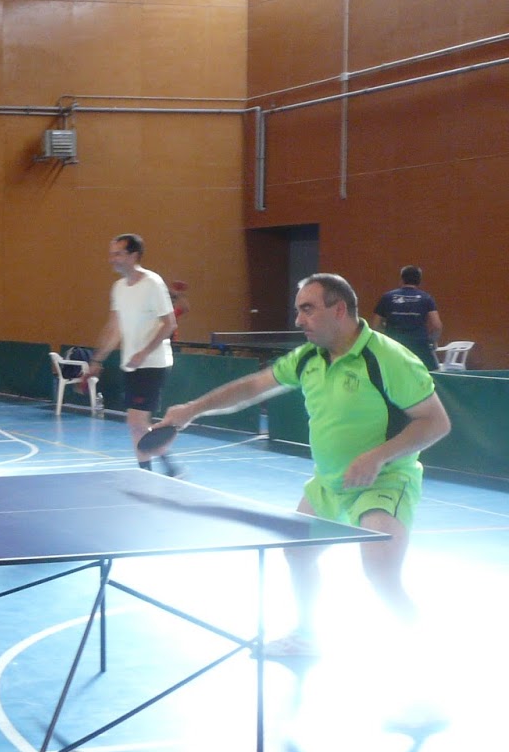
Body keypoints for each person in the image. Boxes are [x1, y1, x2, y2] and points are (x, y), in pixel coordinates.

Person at [154, 273, 451, 660]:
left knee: (381, 574)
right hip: (329, 483)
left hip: (385, 480)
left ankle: (428, 664)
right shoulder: (309, 357)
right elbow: (253, 387)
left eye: (308, 309)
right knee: (298, 554)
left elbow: (436, 423)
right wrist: (191, 410)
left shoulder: (388, 358)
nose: (299, 320)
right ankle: (306, 637)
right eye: (299, 310)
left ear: (339, 310)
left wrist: (378, 456)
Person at [84, 234, 180, 476]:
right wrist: (97, 360)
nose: (112, 259)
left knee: (135, 422)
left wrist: (144, 352)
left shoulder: (153, 283)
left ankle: (150, 471)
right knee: (137, 424)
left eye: (118, 254)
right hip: (131, 365)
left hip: (153, 363)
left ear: (134, 255)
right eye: (111, 254)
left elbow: (169, 324)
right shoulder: (118, 288)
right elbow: (114, 328)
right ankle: (163, 466)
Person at [372, 265, 442, 371]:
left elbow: (375, 325)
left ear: (402, 279)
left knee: (392, 373)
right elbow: (437, 325)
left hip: (393, 345)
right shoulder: (426, 298)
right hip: (419, 346)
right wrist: (432, 340)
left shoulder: (387, 297)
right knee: (432, 374)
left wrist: (384, 339)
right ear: (419, 280)